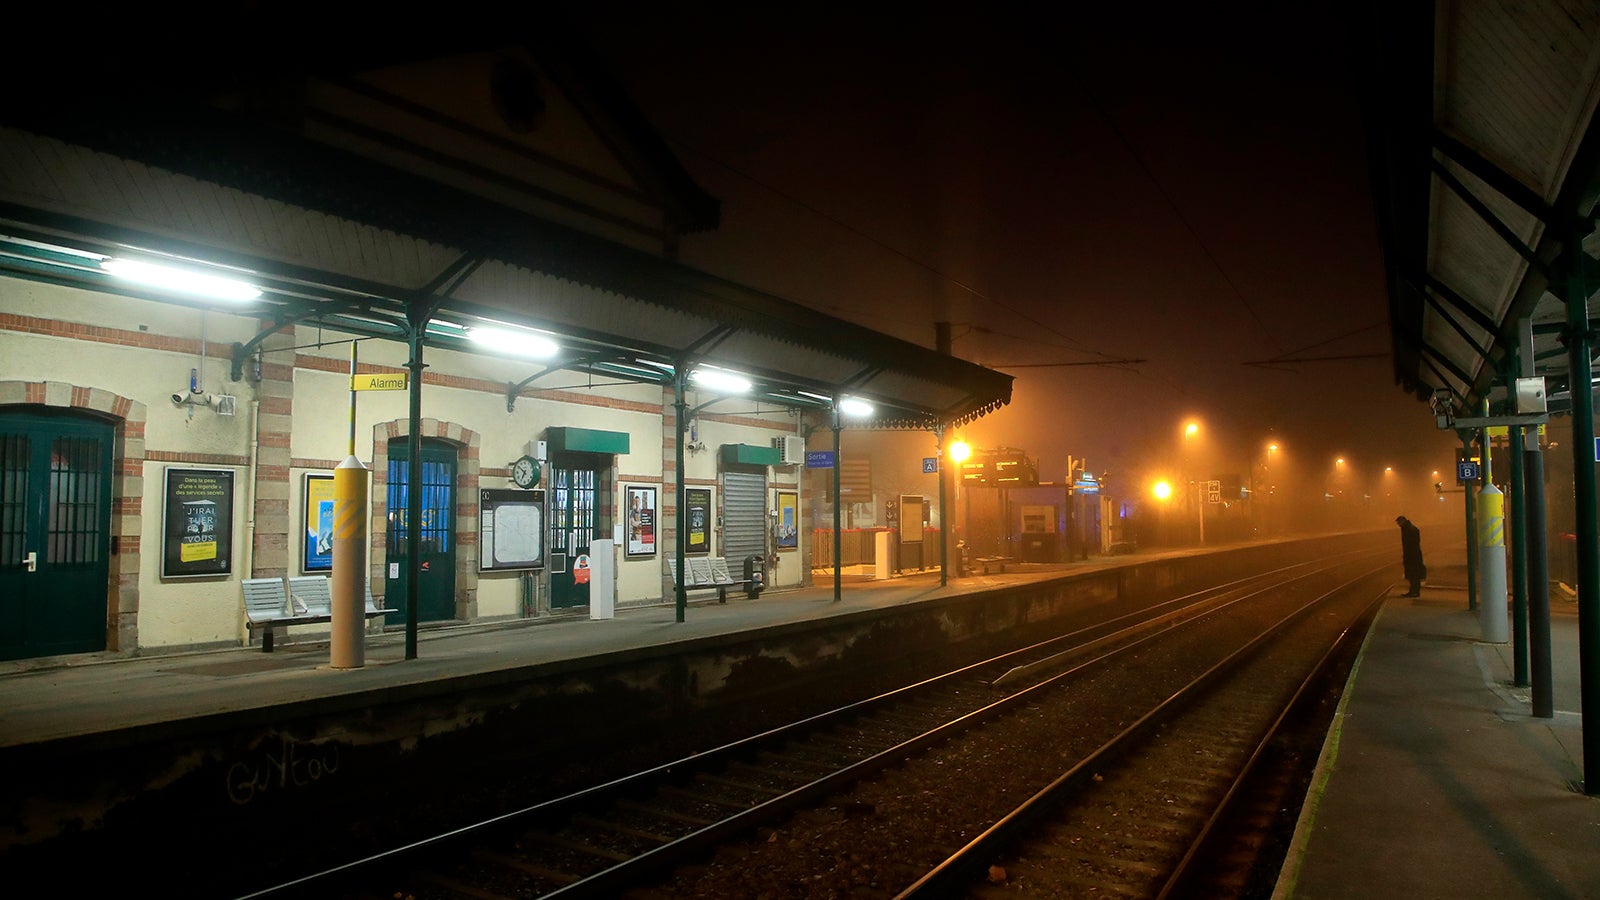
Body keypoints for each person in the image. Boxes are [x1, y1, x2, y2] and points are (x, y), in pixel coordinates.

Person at [1395, 515, 1425, 597]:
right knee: (1414, 574)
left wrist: (1408, 555)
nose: (1398, 524)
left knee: (1413, 574)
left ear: (1402, 521)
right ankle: (1414, 591)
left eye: (1398, 522)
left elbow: (1410, 544)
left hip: (1412, 556)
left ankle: (1414, 592)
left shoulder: (1408, 529)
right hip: (1413, 555)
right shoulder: (1409, 528)